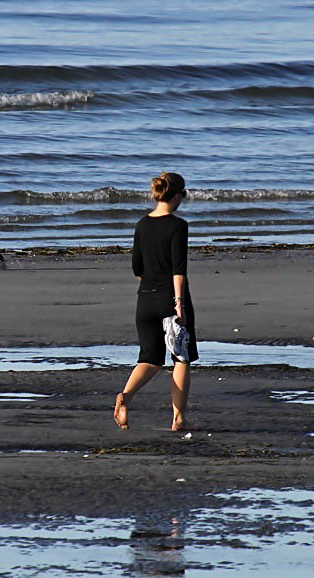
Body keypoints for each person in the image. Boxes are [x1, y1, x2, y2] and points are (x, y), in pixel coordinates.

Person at [114, 172, 198, 431]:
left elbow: (137, 268)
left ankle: (125, 398)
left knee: (149, 359)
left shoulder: (141, 224)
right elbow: (178, 270)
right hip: (169, 300)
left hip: (145, 300)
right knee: (181, 358)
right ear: (176, 196)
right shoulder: (178, 226)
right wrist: (179, 303)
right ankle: (178, 418)